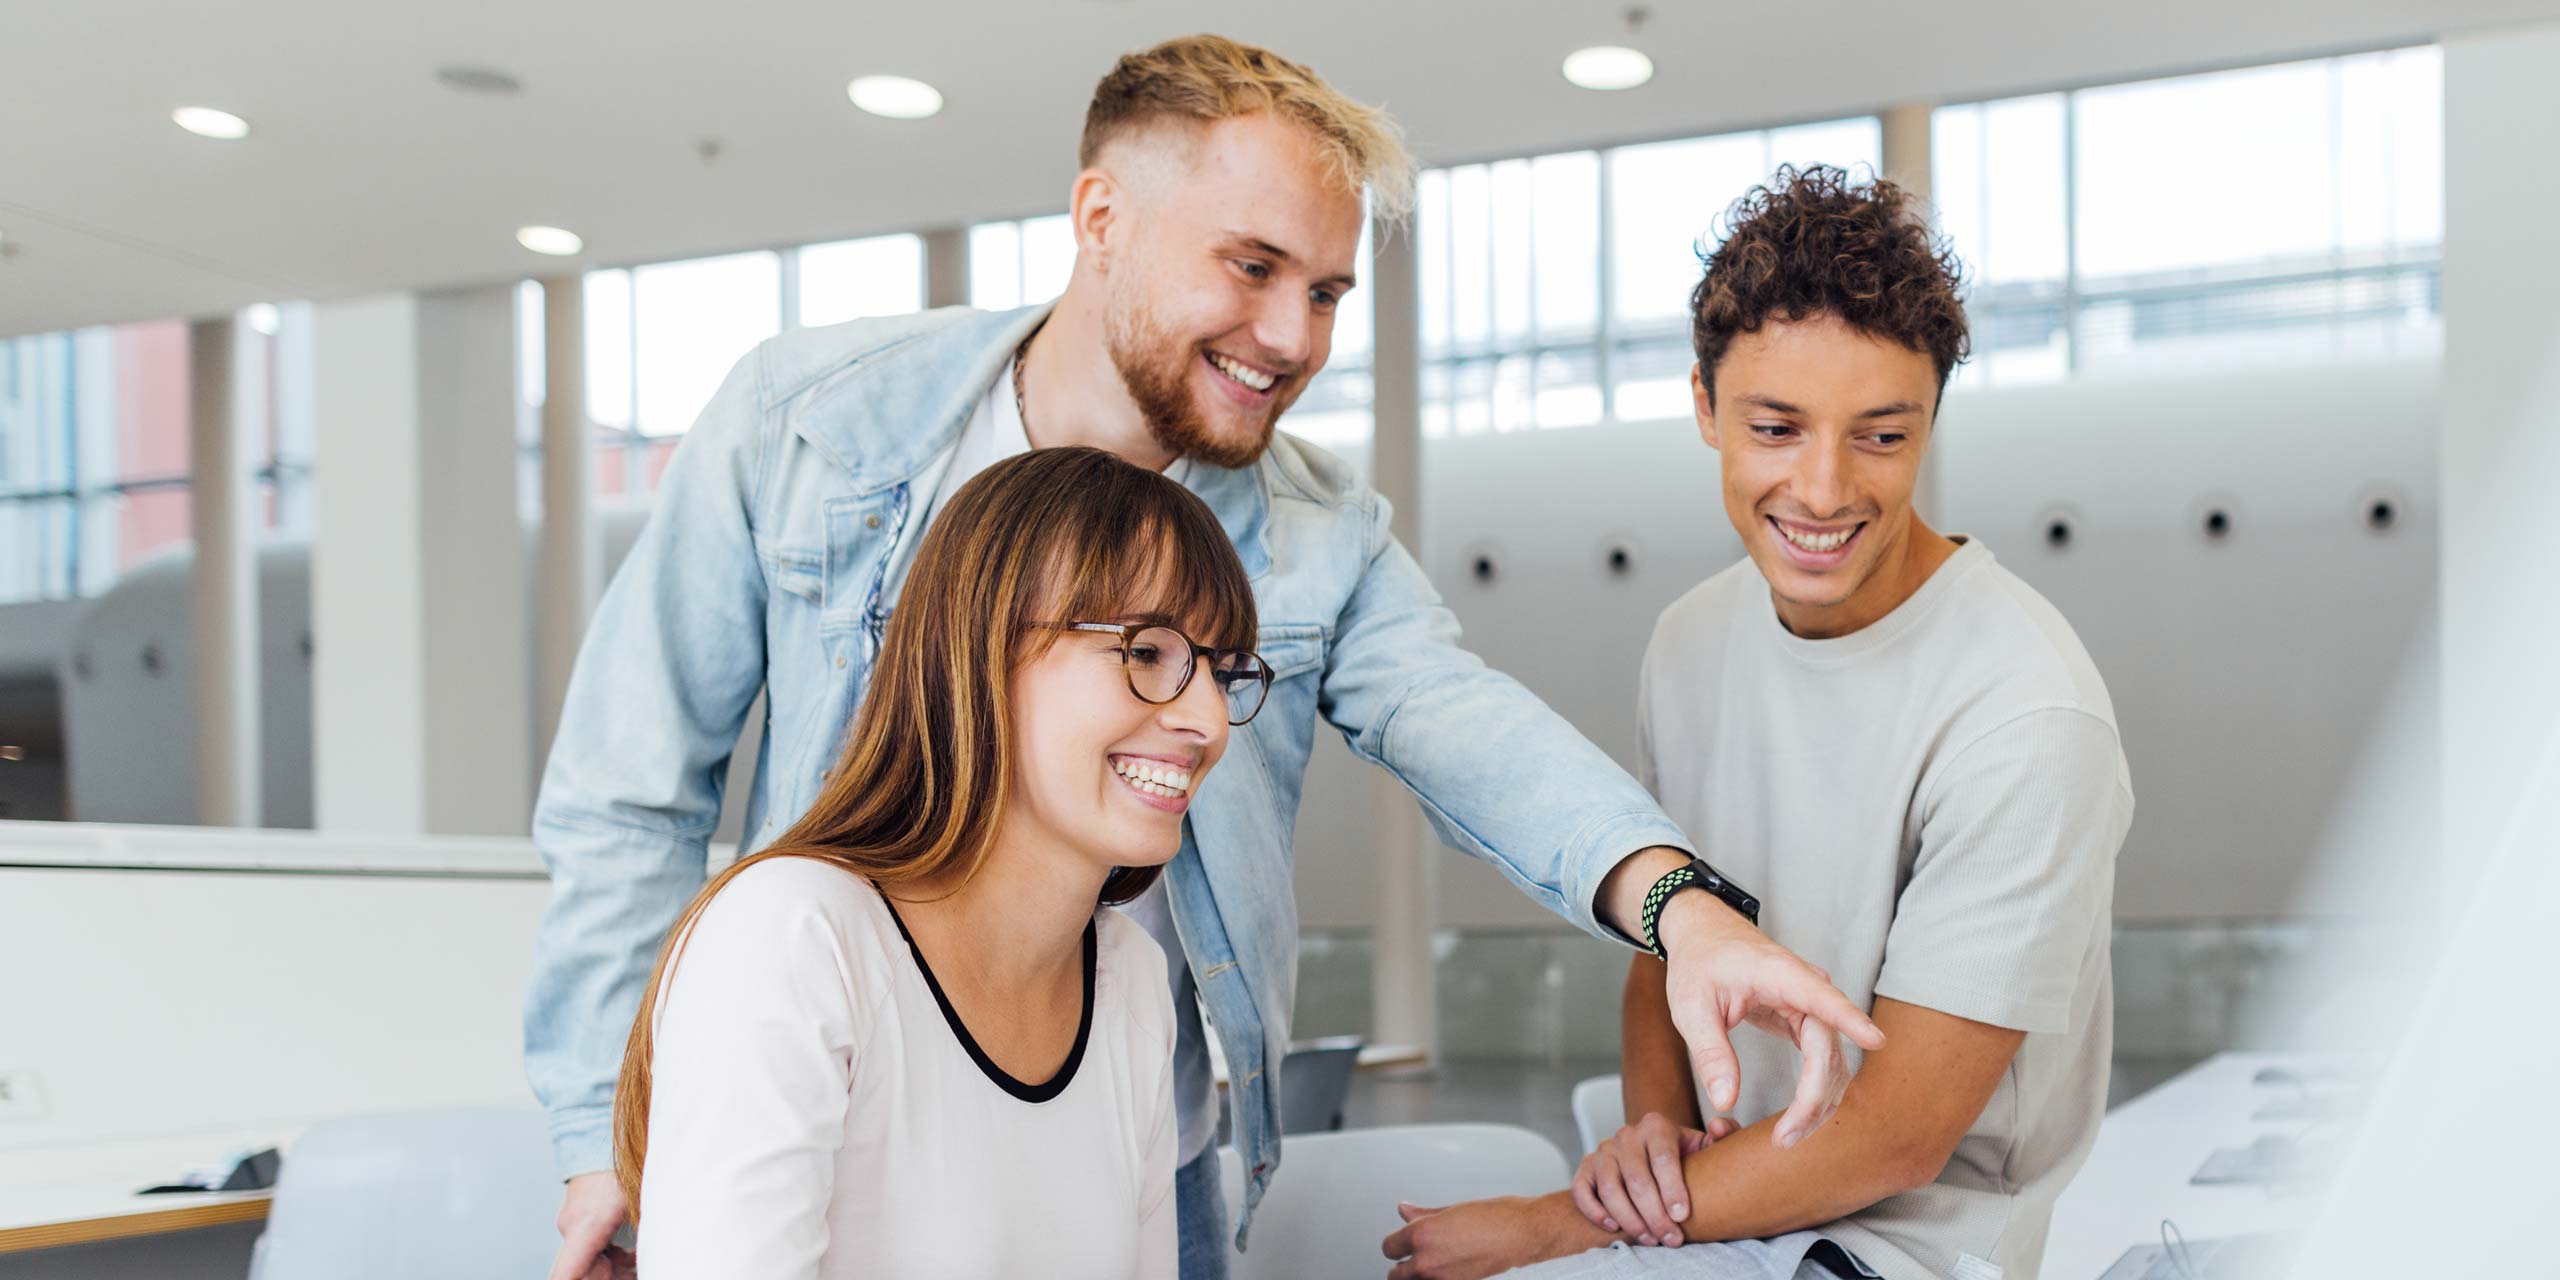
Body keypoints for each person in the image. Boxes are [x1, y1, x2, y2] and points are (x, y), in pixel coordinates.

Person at [532, 38, 1882, 1280]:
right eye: (1251, 267)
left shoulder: (1310, 535)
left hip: (1143, 1140)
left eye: (1328, 293)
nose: (1294, 338)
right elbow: (629, 792)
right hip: (854, 1114)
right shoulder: (811, 430)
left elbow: (1461, 723)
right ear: (1100, 219)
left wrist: (1683, 910)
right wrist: (611, 1132)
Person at [1383, 166, 2134, 1280]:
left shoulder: (2027, 710)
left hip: (1908, 1244)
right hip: (1721, 1196)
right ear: (1702, 404)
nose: (1822, 489)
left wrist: (1565, 1220)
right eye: (1775, 427)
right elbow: (1669, 934)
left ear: (1931, 417)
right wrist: (1650, 1138)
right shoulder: (1690, 638)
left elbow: (1898, 1133)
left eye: (1881, 435)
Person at [619, 447, 1263, 1278]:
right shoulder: (794, 934)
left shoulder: (1131, 980)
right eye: (1148, 654)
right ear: (981, 651)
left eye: (1223, 670)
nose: (1208, 721)